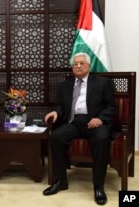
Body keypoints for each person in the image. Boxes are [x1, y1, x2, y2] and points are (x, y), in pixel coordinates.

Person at [42, 53, 115, 205]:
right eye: (75, 64)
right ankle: (60, 181)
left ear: (89, 66)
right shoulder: (65, 85)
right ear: (72, 67)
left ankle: (98, 185)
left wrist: (100, 118)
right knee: (56, 136)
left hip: (94, 122)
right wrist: (56, 112)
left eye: (82, 63)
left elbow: (110, 106)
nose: (78, 66)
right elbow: (61, 106)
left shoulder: (103, 83)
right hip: (74, 122)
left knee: (101, 139)